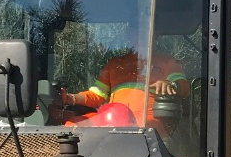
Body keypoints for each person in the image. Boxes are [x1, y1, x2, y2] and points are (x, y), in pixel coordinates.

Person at [59, 23, 190, 136]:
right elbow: (97, 94)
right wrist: (72, 98)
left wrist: (169, 85)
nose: (140, 33)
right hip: (113, 118)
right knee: (72, 127)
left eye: (146, 29)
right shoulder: (115, 63)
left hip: (147, 121)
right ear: (129, 33)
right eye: (136, 29)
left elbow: (183, 87)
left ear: (155, 33)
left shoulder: (168, 62)